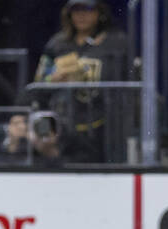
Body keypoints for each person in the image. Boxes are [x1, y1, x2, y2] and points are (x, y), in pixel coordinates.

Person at [22, 0, 131, 163]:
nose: (81, 14)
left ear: (99, 12)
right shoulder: (57, 44)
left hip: (104, 127)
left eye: (87, 8)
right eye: (76, 9)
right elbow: (39, 84)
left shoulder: (118, 43)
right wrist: (53, 80)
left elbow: (128, 81)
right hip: (65, 126)